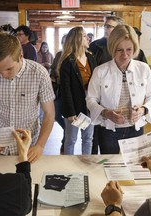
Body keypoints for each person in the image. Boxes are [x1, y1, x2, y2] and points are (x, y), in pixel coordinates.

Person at [0, 33, 55, 163]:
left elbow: (49, 113)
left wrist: (40, 145)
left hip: (29, 145)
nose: (3, 75)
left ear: (20, 56)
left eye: (9, 69)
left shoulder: (39, 73)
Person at [86, 24, 151, 154]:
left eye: (129, 50)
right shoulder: (100, 71)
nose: (125, 55)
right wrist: (106, 113)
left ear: (135, 48)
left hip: (136, 129)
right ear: (112, 48)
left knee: (134, 168)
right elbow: (91, 99)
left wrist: (143, 110)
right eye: (119, 50)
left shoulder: (143, 69)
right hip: (109, 131)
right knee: (109, 167)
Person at [88, 16, 124, 154]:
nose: (106, 28)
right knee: (95, 133)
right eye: (105, 26)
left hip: (119, 97)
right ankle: (93, 160)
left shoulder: (124, 47)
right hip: (97, 93)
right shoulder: (95, 45)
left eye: (110, 26)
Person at [58, 26, 97, 155]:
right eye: (85, 36)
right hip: (74, 104)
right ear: (77, 39)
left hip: (90, 103)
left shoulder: (91, 58)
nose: (88, 38)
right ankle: (69, 165)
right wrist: (70, 112)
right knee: (71, 140)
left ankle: (87, 162)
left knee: (88, 138)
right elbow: (66, 89)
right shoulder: (68, 62)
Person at [50, 34, 67, 154]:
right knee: (56, 115)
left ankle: (65, 141)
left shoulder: (74, 56)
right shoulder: (59, 55)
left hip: (69, 91)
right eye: (64, 41)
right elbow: (53, 70)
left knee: (68, 117)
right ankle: (67, 130)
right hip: (58, 89)